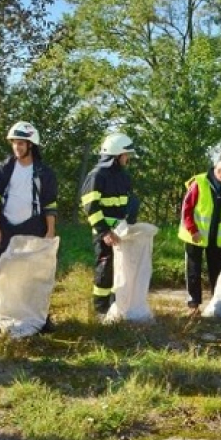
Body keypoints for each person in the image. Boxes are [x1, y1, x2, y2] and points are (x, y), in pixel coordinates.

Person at [0, 121, 58, 334]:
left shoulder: (44, 172)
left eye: (21, 143)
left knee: (34, 273)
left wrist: (50, 231)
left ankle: (40, 317)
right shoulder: (2, 169)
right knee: (1, 272)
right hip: (6, 226)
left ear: (31, 145)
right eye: (14, 143)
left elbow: (50, 204)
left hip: (34, 225)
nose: (17, 147)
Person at [80, 133, 138, 317]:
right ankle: (100, 310)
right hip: (104, 232)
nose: (127, 158)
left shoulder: (123, 176)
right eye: (126, 155)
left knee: (121, 268)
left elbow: (128, 202)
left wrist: (129, 225)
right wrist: (104, 231)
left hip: (122, 231)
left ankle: (116, 306)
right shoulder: (97, 175)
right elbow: (90, 206)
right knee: (105, 269)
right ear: (117, 154)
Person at [178, 159, 221, 312]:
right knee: (193, 270)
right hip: (195, 236)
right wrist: (193, 230)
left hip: (217, 237)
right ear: (218, 171)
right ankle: (193, 304)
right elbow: (186, 209)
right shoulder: (198, 183)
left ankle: (217, 302)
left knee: (217, 271)